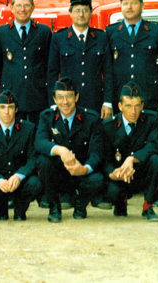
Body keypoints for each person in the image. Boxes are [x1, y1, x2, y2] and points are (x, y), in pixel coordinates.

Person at [35, 77, 104, 222]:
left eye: (69, 96)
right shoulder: (47, 117)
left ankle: (80, 205)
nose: (65, 102)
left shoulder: (91, 118)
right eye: (60, 97)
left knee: (98, 179)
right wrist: (60, 150)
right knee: (43, 161)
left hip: (80, 173)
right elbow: (40, 142)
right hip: (58, 174)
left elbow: (97, 152)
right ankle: (54, 207)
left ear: (77, 97)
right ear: (54, 99)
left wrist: (84, 169)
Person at [100, 81, 158, 221]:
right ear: (120, 106)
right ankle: (120, 203)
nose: (133, 111)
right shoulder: (108, 126)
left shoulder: (151, 119)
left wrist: (132, 158)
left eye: (137, 106)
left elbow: (155, 145)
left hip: (141, 173)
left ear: (142, 105)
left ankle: (148, 206)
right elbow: (104, 158)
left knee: (157, 161)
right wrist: (112, 174)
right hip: (120, 175)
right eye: (128, 106)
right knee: (112, 192)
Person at [0, 90, 42, 220]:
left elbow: (33, 159)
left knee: (35, 184)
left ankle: (20, 209)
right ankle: (1, 210)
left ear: (16, 109)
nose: (6, 112)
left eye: (10, 107)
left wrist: (19, 175)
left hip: (19, 180)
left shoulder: (28, 129)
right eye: (3, 107)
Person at [0, 0, 52, 124]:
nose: (22, 9)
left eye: (26, 5)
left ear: (32, 7)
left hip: (37, 95)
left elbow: (49, 64)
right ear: (11, 8)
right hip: (11, 95)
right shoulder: (1, 33)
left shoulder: (44, 32)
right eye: (18, 5)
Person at [47, 0, 113, 118]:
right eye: (77, 10)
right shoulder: (59, 38)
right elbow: (52, 73)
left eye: (85, 10)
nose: (81, 14)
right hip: (68, 103)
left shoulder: (101, 37)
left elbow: (109, 73)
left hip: (96, 102)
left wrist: (108, 102)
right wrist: (54, 103)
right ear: (70, 13)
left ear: (91, 12)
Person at [105, 0, 158, 113]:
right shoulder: (111, 33)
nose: (129, 7)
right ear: (121, 7)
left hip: (148, 99)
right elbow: (108, 70)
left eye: (134, 3)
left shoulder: (155, 31)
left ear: (142, 6)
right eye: (125, 3)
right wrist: (108, 101)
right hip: (120, 100)